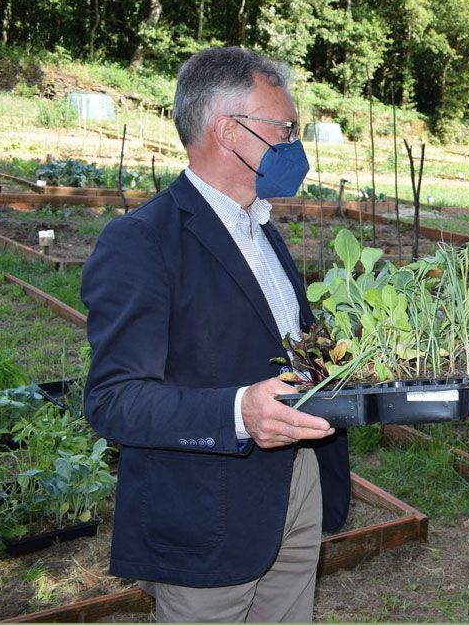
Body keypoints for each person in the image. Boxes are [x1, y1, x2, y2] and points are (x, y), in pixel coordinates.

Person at [80, 47, 351, 622]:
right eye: (284, 128)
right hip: (208, 511)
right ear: (230, 131)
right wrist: (239, 413)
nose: (294, 144)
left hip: (297, 481)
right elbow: (114, 400)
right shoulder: (142, 242)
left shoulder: (261, 227)